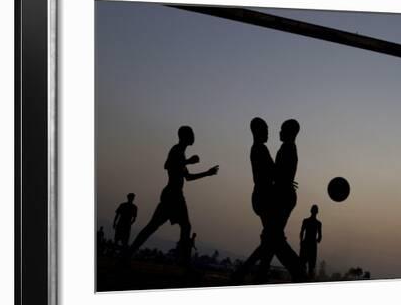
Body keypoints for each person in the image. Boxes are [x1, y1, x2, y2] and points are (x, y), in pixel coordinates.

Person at [127, 126, 218, 266]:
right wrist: (188, 162)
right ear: (184, 136)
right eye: (191, 134)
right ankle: (184, 264)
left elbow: (187, 177)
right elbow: (167, 165)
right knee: (159, 227)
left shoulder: (181, 153)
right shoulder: (176, 150)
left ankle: (183, 263)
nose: (193, 136)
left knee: (179, 227)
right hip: (172, 195)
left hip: (176, 195)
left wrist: (207, 173)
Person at [233, 119, 303, 283]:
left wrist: (284, 179)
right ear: (257, 131)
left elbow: (275, 172)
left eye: (280, 129)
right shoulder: (262, 149)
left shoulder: (283, 149)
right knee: (273, 240)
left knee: (271, 240)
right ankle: (298, 272)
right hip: (267, 198)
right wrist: (284, 178)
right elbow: (274, 172)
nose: (272, 132)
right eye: (266, 129)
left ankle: (255, 274)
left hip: (272, 198)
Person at [299, 205, 322, 278]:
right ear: (317, 212)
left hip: (307, 243)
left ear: (311, 211)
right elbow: (320, 237)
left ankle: (303, 279)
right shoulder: (318, 223)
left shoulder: (306, 221)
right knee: (309, 266)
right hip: (311, 245)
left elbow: (302, 232)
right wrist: (317, 240)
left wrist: (301, 241)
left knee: (304, 265)